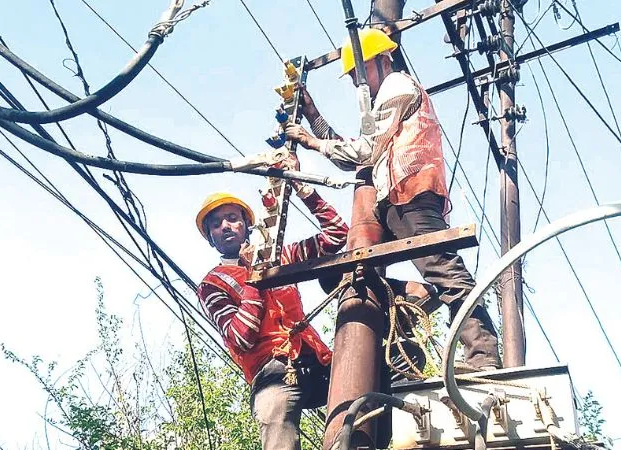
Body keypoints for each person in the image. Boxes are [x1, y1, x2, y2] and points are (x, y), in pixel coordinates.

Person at [284, 28, 500, 371]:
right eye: (354, 75)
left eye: (361, 70)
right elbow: (360, 154)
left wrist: (311, 142)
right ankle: (414, 295)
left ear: (383, 61)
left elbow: (364, 151)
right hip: (393, 201)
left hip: (412, 195)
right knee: (345, 274)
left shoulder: (397, 86)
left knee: (446, 272)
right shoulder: (385, 96)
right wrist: (312, 115)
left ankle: (483, 357)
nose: (359, 81)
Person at [195, 157, 348, 450]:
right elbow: (241, 336)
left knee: (365, 388)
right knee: (276, 423)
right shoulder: (213, 283)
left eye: (232, 218)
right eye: (216, 224)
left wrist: (299, 184)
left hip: (315, 359)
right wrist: (255, 276)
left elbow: (337, 234)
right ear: (211, 238)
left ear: (246, 226)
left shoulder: (282, 257)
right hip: (273, 372)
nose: (225, 226)